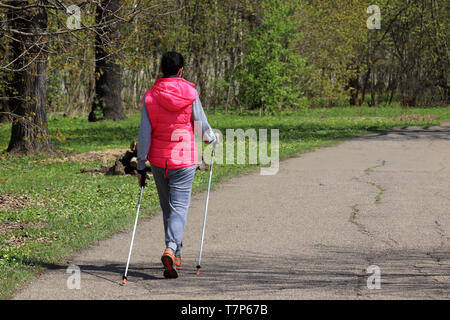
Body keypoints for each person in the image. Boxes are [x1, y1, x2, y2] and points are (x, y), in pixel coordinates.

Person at [136, 51, 217, 279]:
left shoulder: (150, 96)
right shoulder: (190, 93)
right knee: (179, 208)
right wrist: (211, 138)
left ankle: (175, 253)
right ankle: (171, 248)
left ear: (162, 69)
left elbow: (144, 133)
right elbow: (201, 124)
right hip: (184, 160)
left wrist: (141, 163)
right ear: (181, 70)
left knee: (168, 208)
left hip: (160, 161)